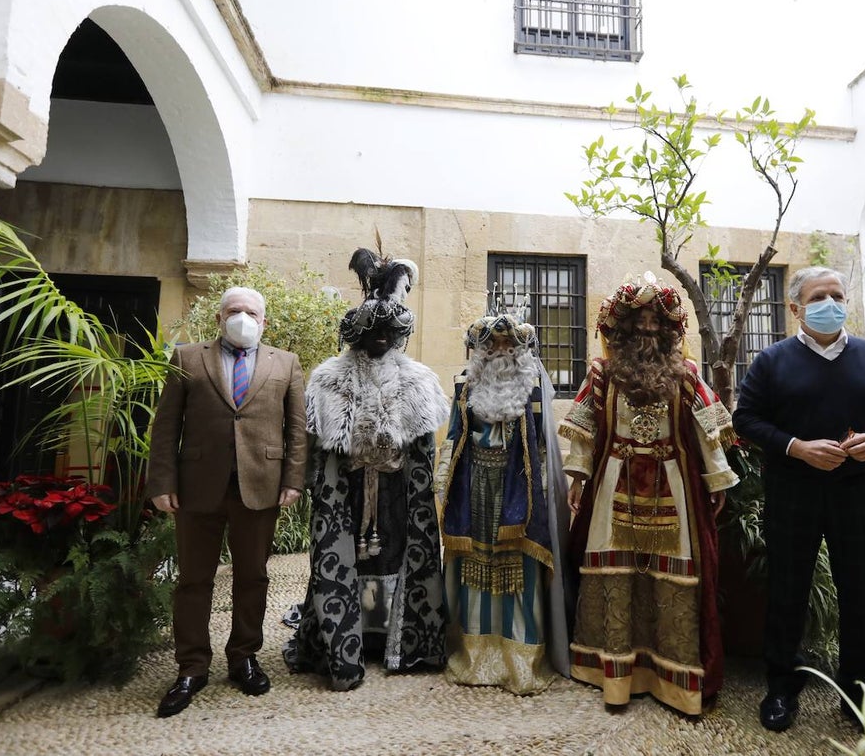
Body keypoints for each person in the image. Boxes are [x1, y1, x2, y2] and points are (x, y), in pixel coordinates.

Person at [732, 266, 865, 751]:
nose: (831, 302)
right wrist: (796, 446)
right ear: (796, 307)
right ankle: (782, 686)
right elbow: (745, 418)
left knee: (861, 591)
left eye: (837, 295)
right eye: (820, 296)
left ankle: (859, 691)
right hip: (792, 492)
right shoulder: (771, 361)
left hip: (856, 492)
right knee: (787, 589)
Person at [560, 273, 738, 716]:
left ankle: (671, 679)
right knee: (615, 572)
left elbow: (707, 432)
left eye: (655, 320)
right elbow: (582, 432)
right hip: (613, 487)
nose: (646, 328)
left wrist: (717, 480)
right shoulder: (601, 373)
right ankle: (614, 675)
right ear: (619, 329)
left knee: (670, 577)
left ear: (669, 328)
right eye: (637, 320)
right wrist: (577, 479)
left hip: (674, 488)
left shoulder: (688, 374)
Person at [283, 247, 450, 691]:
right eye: (370, 330)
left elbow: (423, 452)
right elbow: (316, 448)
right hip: (347, 490)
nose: (379, 337)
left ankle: (394, 641)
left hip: (398, 491)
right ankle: (345, 645)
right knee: (349, 562)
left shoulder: (418, 380)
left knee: (394, 557)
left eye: (387, 330)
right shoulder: (327, 379)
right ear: (356, 334)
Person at [146, 286, 307, 718]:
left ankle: (244, 658)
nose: (242, 317)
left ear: (264, 321)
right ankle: (192, 667)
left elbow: (297, 430)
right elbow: (165, 427)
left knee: (252, 577)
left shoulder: (286, 363)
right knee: (194, 579)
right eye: (233, 311)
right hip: (198, 486)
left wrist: (293, 480)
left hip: (260, 486)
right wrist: (161, 482)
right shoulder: (186, 358)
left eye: (250, 312)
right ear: (219, 319)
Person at [437, 299, 574, 694]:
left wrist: (548, 494)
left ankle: (522, 663)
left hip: (520, 491)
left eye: (507, 347)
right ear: (480, 352)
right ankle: (475, 658)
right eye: (491, 346)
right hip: (473, 487)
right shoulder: (465, 386)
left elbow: (545, 448)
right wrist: (442, 484)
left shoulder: (531, 388)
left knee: (521, 572)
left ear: (519, 351)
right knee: (472, 571)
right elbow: (451, 439)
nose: (499, 353)